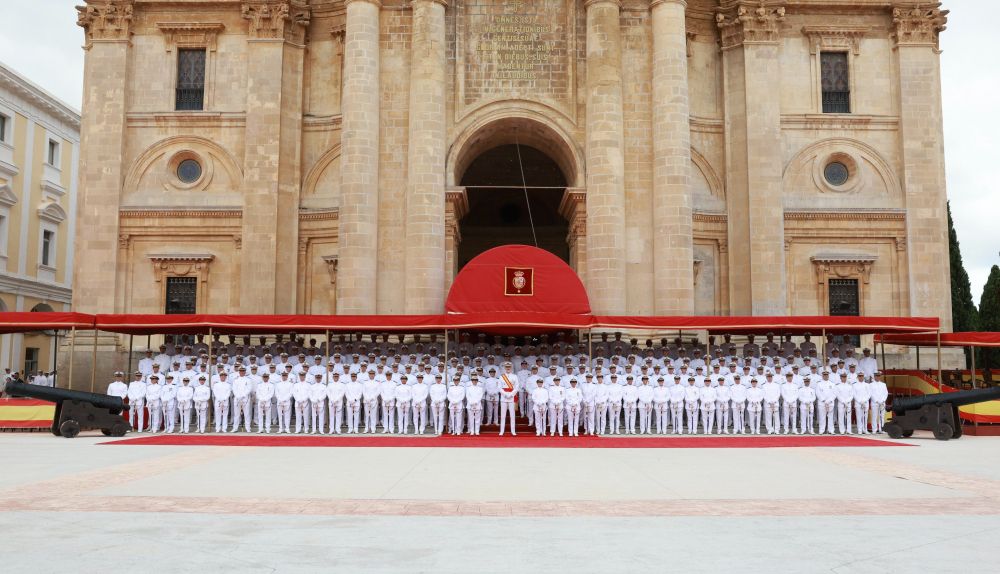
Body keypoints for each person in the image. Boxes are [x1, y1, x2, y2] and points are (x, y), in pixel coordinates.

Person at [498, 362, 519, 436]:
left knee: (512, 415)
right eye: (506, 367)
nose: (508, 368)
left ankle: (513, 431)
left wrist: (511, 394)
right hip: (504, 398)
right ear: (504, 368)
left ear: (511, 368)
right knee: (503, 415)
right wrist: (505, 394)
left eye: (509, 367)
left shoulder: (515, 376)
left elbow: (516, 387)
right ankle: (501, 431)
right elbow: (499, 387)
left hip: (512, 398)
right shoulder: (501, 377)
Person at [231, 366, 253, 433]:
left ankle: (248, 428)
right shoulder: (236, 380)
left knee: (247, 414)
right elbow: (234, 389)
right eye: (240, 371)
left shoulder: (248, 380)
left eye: (243, 371)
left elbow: (249, 389)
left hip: (245, 398)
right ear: (239, 372)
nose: (242, 372)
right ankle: (235, 428)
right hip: (237, 398)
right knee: (236, 414)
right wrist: (238, 396)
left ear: (245, 372)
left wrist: (243, 395)